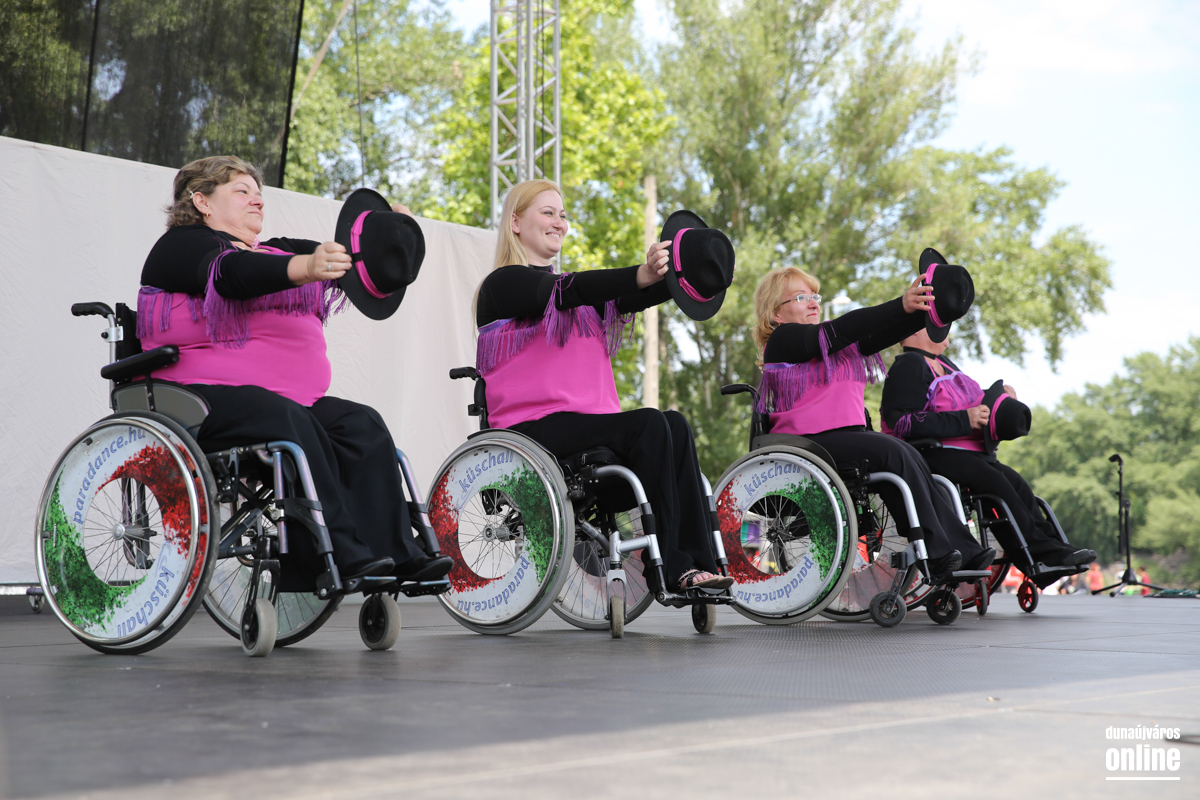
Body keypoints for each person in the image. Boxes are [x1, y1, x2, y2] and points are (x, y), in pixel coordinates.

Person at [137, 155, 451, 590]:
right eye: (242, 191)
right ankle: (340, 555)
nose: (257, 200)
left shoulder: (275, 249)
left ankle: (399, 554)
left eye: (259, 193)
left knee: (361, 424)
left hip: (282, 404)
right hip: (195, 399)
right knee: (285, 416)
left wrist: (392, 234)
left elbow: (353, 260)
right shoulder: (182, 246)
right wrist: (305, 268)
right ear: (202, 201)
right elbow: (231, 275)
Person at [474, 180, 732, 592]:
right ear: (516, 222)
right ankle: (670, 568)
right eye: (548, 212)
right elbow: (570, 290)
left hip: (588, 429)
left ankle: (696, 565)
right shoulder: (503, 285)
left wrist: (684, 272)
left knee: (675, 424)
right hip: (531, 433)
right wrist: (639, 273)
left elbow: (632, 294)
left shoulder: (575, 296)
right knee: (649, 423)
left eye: (563, 215)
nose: (559, 222)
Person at [750, 260, 995, 576]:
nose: (813, 303)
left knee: (908, 455)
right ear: (776, 313)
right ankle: (935, 553)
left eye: (814, 297)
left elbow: (884, 331)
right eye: (801, 298)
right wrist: (901, 303)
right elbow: (845, 328)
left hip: (845, 439)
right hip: (806, 445)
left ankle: (962, 550)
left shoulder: (834, 346)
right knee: (894, 452)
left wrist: (932, 309)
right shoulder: (783, 340)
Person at [880, 326, 1097, 578]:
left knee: (1015, 482)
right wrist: (964, 420)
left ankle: (1052, 549)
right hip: (929, 452)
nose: (946, 334)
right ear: (917, 331)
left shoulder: (945, 364)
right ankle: (1043, 554)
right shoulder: (909, 364)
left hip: (967, 452)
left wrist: (998, 400)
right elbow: (901, 422)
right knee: (994, 482)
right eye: (939, 325)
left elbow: (965, 400)